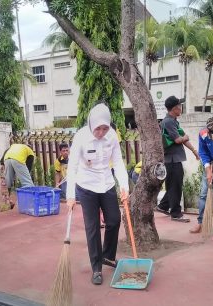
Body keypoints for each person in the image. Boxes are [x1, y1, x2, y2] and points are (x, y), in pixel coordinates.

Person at [66, 103, 129, 286]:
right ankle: (96, 268)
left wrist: (124, 186)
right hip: (86, 186)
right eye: (98, 128)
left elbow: (117, 163)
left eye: (105, 128)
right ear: (91, 124)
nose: (101, 132)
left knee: (114, 220)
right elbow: (72, 167)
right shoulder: (81, 138)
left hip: (107, 183)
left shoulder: (112, 137)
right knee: (92, 227)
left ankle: (107, 256)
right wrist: (70, 195)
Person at [156, 96, 200, 222]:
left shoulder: (174, 121)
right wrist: (185, 137)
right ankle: (176, 213)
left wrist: (194, 151)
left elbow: (182, 139)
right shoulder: (168, 122)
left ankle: (163, 206)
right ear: (174, 108)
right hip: (171, 160)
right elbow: (178, 139)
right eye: (179, 106)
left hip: (174, 159)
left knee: (173, 186)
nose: (181, 108)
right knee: (175, 186)